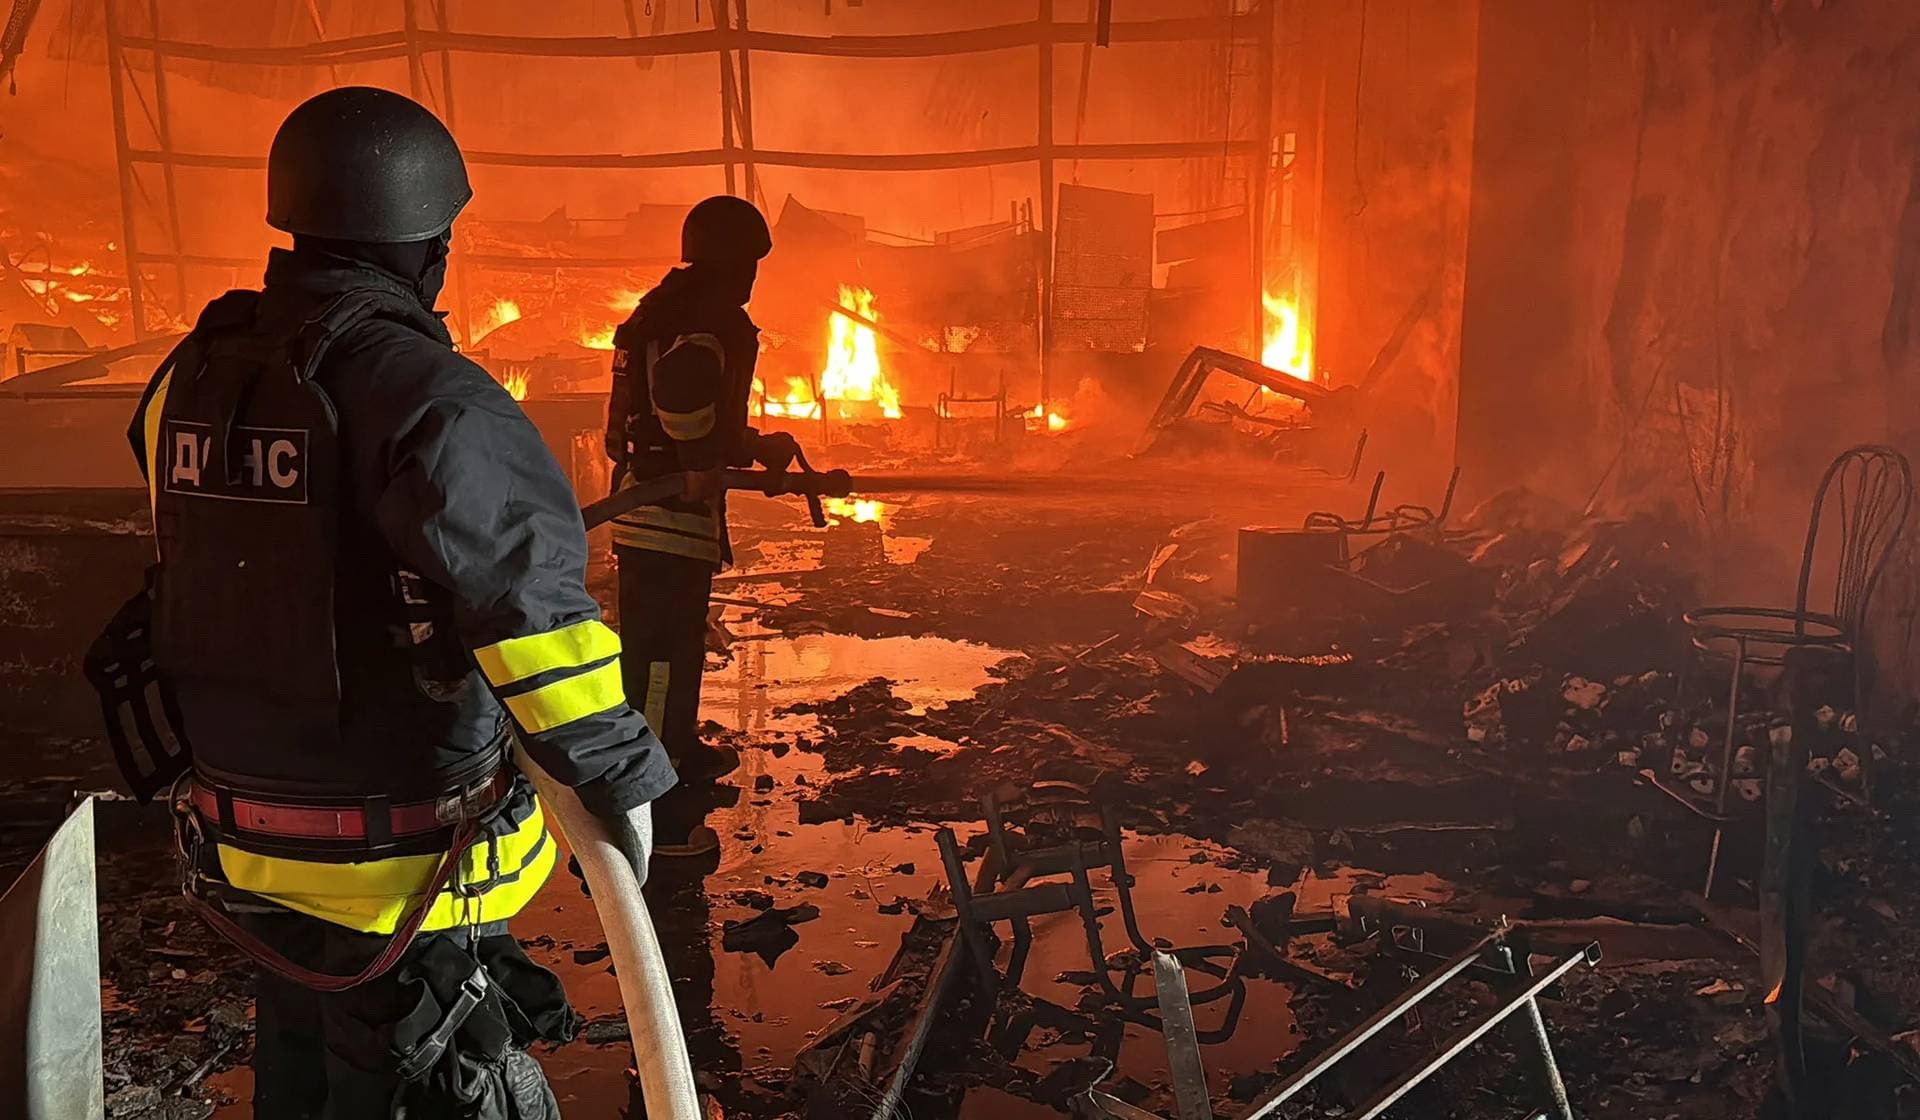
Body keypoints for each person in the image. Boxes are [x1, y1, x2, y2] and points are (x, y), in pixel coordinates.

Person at [124, 87, 678, 1118]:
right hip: (414, 879)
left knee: (305, 1079)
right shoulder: (434, 399)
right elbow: (536, 619)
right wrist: (625, 780)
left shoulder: (192, 377)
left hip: (252, 861)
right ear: (427, 240)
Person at [604, 194, 799, 857]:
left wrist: (749, 447)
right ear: (727, 262)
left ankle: (676, 752)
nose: (752, 279)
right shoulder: (712, 319)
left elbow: (675, 407)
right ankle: (656, 812)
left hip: (645, 514)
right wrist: (694, 458)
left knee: (668, 660)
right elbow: (683, 394)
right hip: (666, 522)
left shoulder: (658, 312)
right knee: (661, 668)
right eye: (748, 264)